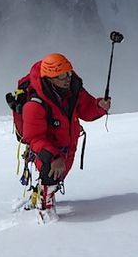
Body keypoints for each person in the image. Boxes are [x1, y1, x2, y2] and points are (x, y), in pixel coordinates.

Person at [20, 52, 111, 212]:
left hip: (68, 146)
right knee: (50, 173)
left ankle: (41, 195)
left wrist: (99, 106)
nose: (67, 78)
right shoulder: (35, 105)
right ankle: (45, 211)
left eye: (68, 73)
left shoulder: (73, 90)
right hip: (47, 149)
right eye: (61, 76)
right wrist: (54, 157)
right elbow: (34, 138)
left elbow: (86, 108)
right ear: (49, 78)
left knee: (57, 176)